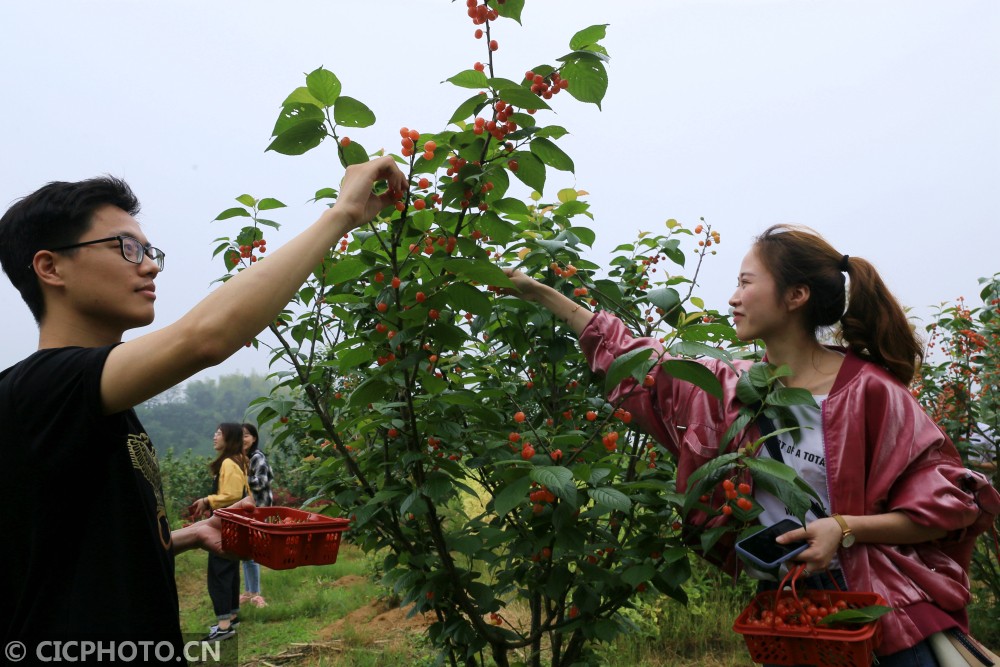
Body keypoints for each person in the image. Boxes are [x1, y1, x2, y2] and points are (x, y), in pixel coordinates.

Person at [504, 224, 1000, 666]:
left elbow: (951, 506)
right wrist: (542, 295)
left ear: (796, 295)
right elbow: (642, 365)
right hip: (785, 607)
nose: (733, 298)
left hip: (879, 614)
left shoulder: (871, 393)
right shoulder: (731, 389)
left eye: (746, 282)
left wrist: (844, 529)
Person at [0, 156, 406, 653]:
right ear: (50, 266)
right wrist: (340, 214)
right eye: (126, 248)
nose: (149, 264)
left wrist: (189, 536)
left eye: (150, 250)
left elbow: (81, 549)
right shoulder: (39, 389)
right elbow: (204, 338)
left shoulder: (99, 408)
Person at [192, 423, 249, 640]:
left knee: (219, 571)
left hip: (226, 524)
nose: (214, 436)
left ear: (229, 438)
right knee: (229, 568)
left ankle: (224, 626)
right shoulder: (239, 460)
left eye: (219, 433)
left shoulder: (229, 462)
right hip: (234, 523)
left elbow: (233, 495)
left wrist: (208, 499)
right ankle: (232, 615)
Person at [239, 422, 273, 608]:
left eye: (245, 435)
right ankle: (249, 591)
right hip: (248, 509)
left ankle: (256, 594)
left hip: (258, 509)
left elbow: (261, 482)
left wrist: (240, 478)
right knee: (245, 551)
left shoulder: (257, 457)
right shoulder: (243, 458)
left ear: (253, 438)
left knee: (250, 552)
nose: (242, 439)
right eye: (239, 436)